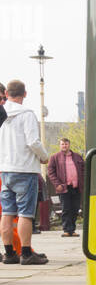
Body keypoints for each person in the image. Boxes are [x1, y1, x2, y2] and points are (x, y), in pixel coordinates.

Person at [0, 80, 50, 265]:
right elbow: (33, 142)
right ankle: (27, 253)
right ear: (25, 94)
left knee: (7, 212)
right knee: (25, 214)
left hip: (5, 169)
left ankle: (9, 253)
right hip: (24, 169)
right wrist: (44, 157)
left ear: (6, 93)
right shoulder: (27, 114)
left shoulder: (2, 114)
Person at [47, 136, 84, 237]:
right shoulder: (54, 157)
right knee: (66, 209)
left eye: (66, 144)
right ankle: (67, 230)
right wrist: (57, 184)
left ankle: (73, 229)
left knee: (75, 208)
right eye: (62, 144)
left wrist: (83, 182)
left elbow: (84, 170)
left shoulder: (77, 157)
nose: (64, 146)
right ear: (60, 145)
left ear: (69, 145)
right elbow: (50, 172)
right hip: (63, 187)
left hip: (76, 187)